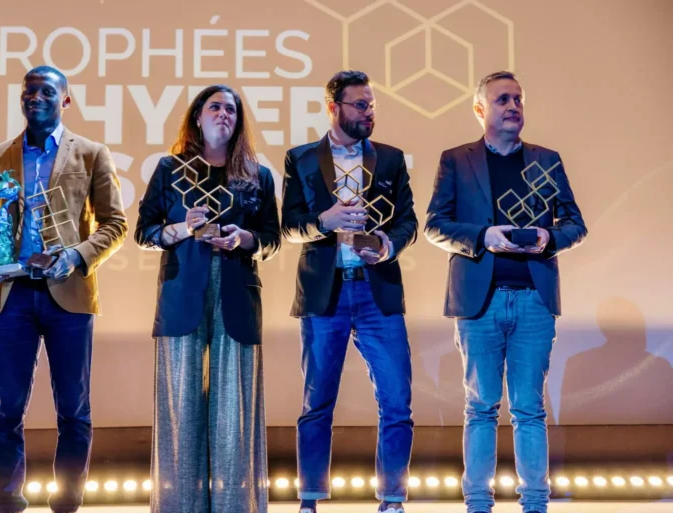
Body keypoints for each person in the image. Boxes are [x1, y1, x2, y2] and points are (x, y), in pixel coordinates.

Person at [424, 71, 588, 513]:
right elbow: (435, 226)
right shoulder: (456, 160)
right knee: (480, 406)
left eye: (518, 99)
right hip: (480, 301)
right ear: (480, 109)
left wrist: (548, 238)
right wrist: (484, 236)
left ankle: (535, 504)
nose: (513, 106)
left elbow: (575, 225)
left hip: (534, 298)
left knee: (529, 408)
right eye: (502, 99)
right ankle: (478, 503)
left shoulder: (546, 159)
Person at [0, 65, 128, 513]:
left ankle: (67, 499)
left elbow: (115, 224)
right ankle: (6, 499)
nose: (35, 97)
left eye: (46, 91)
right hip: (14, 293)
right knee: (6, 408)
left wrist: (73, 256)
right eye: (28, 91)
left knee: (74, 409)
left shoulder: (92, 153)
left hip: (69, 293)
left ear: (65, 100)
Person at [135, 84, 280, 513]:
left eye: (231, 109)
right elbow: (144, 232)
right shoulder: (169, 168)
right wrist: (182, 228)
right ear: (197, 117)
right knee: (180, 409)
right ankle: (180, 505)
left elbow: (272, 239)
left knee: (234, 411)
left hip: (236, 293)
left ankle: (236, 505)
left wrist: (244, 238)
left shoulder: (257, 174)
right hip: (182, 293)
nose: (223, 114)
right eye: (215, 107)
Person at [281, 70, 418, 513]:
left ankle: (392, 499)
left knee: (396, 401)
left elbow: (408, 222)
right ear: (333, 107)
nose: (369, 113)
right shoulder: (301, 159)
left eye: (372, 105)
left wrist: (387, 244)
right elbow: (289, 226)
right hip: (326, 293)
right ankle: (310, 500)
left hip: (378, 292)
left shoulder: (390, 159)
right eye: (360, 105)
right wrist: (326, 221)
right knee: (317, 402)